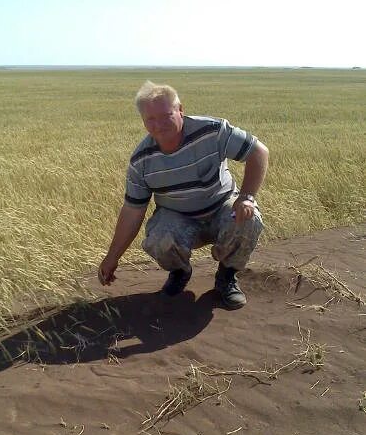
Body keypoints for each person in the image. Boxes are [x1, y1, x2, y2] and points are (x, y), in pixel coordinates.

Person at [98, 80, 269, 309]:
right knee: (158, 239)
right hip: (179, 218)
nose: (159, 124)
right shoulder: (141, 161)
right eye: (151, 119)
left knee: (249, 219)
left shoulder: (212, 131)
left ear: (180, 110)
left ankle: (227, 276)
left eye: (166, 115)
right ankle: (180, 271)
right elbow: (132, 211)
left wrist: (247, 196)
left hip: (222, 207)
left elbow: (258, 152)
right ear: (143, 122)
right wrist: (112, 258)